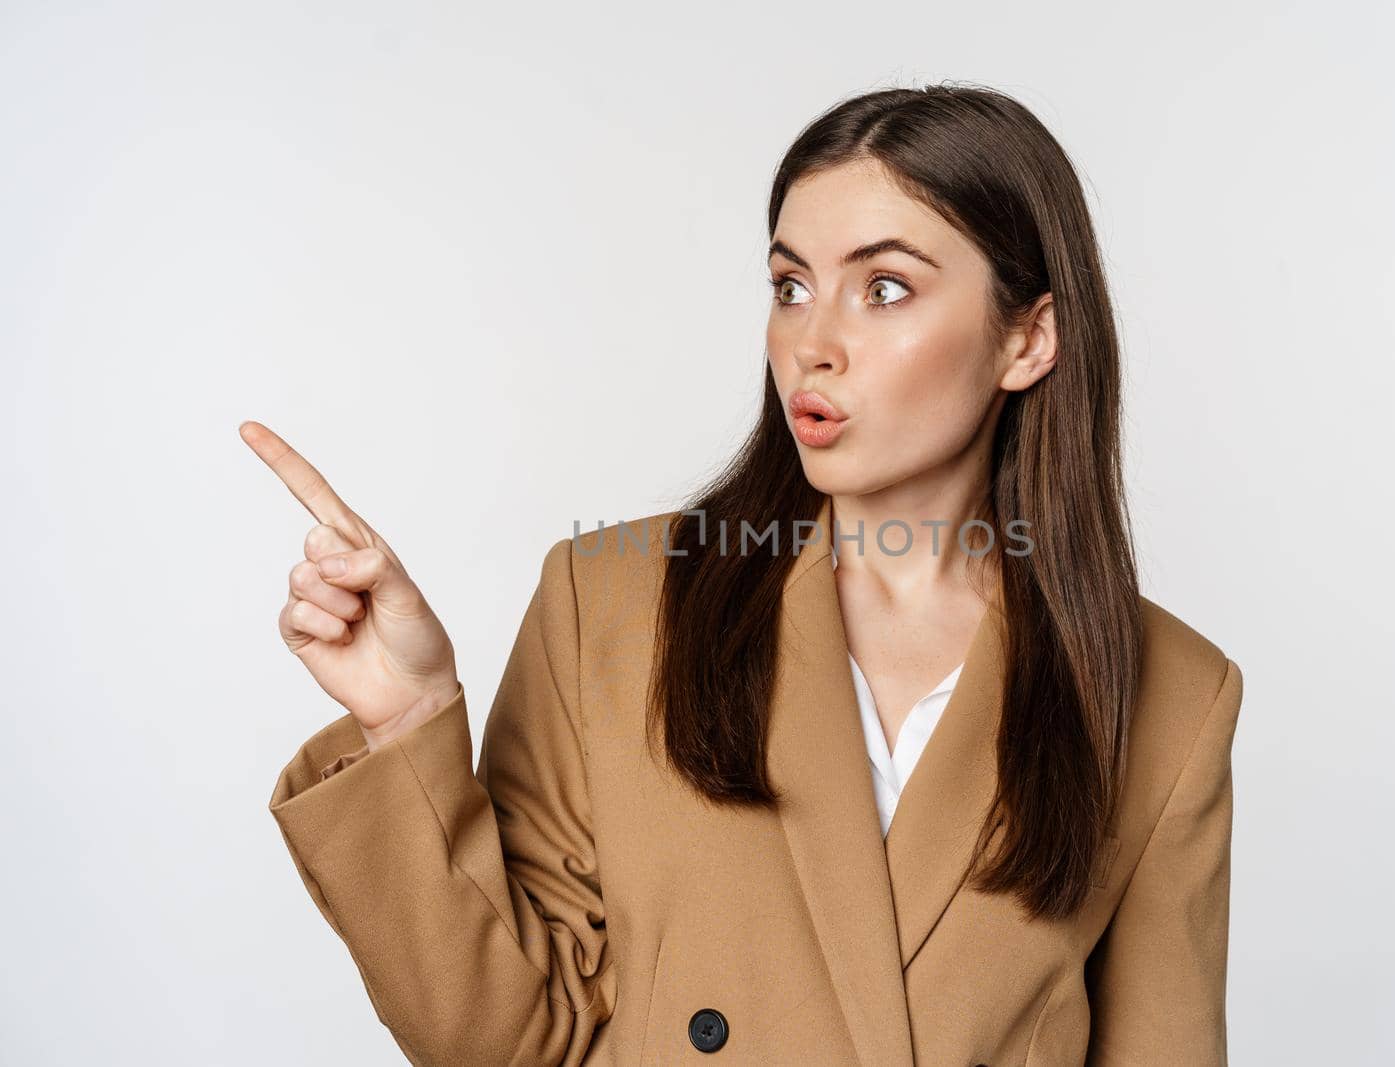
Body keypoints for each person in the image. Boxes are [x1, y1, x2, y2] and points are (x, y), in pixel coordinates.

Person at [248, 82, 1244, 1066]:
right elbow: (501, 1039)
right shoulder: (617, 604)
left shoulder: (1168, 694)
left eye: (883, 287)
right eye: (790, 285)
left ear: (1026, 338)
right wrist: (406, 717)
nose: (812, 343)